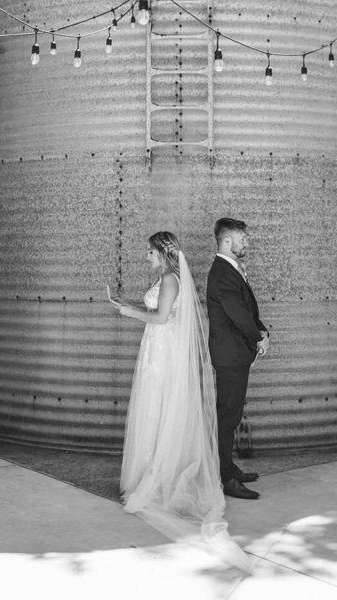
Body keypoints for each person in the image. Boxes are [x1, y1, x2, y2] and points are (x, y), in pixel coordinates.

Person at [109, 231, 226, 539]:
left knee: (158, 406)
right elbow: (159, 311)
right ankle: (150, 471)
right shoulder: (165, 278)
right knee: (152, 407)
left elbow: (161, 318)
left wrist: (128, 312)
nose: (146, 256)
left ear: (161, 252)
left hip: (163, 351)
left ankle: (160, 478)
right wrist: (130, 303)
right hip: (157, 347)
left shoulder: (171, 279)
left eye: (150, 252)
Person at [206, 217, 269, 500]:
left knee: (230, 415)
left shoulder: (229, 269)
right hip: (230, 354)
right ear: (227, 241)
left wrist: (262, 330)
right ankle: (225, 477)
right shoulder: (221, 273)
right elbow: (238, 314)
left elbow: (247, 309)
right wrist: (259, 336)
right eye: (243, 238)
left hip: (234, 352)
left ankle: (228, 468)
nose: (248, 242)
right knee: (227, 416)